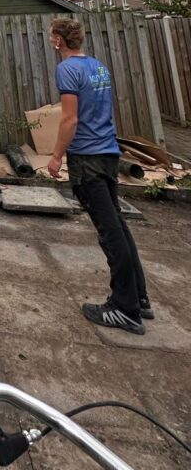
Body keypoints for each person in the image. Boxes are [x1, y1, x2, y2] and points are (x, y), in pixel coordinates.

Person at [47, 17, 152, 335]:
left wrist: (56, 156)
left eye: (52, 36)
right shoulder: (98, 67)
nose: (51, 41)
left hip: (88, 159)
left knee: (109, 232)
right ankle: (139, 297)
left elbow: (70, 119)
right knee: (118, 226)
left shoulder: (67, 69)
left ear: (59, 40)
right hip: (108, 153)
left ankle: (125, 308)